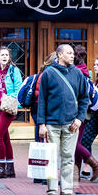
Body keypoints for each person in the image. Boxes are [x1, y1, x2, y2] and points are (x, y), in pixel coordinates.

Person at [38, 44, 89, 195]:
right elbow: (42, 100)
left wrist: (80, 119)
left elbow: (84, 99)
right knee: (51, 158)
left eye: (73, 53)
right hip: (51, 123)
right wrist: (42, 124)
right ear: (59, 55)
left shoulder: (78, 74)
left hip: (71, 124)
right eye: (69, 53)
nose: (72, 56)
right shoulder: (48, 73)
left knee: (68, 157)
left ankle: (66, 190)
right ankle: (52, 191)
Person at [0, 46, 23, 179]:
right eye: (2, 55)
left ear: (9, 57)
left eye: (6, 55)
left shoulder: (14, 71)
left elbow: (19, 88)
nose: (4, 57)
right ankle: (10, 169)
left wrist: (6, 98)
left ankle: (1, 167)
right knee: (5, 137)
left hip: (8, 107)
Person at [73, 46, 98, 182]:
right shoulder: (84, 71)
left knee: (74, 143)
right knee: (76, 142)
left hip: (77, 112)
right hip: (84, 112)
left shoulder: (76, 73)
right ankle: (76, 175)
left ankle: (95, 165)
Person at [30, 51, 56, 184]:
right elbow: (47, 95)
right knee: (46, 142)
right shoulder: (51, 72)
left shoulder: (43, 71)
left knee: (39, 141)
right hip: (44, 110)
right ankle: (46, 176)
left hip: (36, 109)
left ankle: (38, 174)